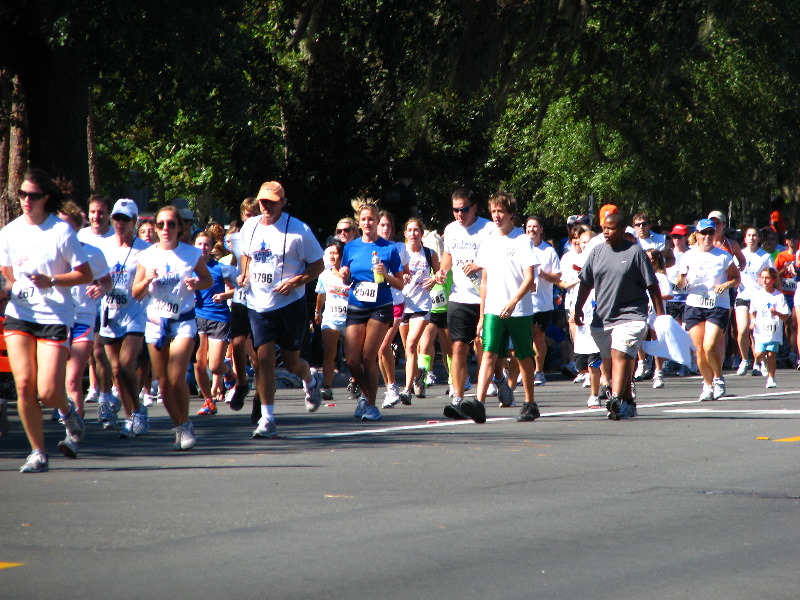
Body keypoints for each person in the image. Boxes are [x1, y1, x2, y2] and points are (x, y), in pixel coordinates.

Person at [0, 169, 93, 472]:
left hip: (54, 316)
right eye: (22, 194)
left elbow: (85, 274)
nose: (26, 200)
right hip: (20, 315)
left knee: (48, 391)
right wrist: (11, 288)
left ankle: (67, 412)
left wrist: (51, 280)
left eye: (33, 196)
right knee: (24, 384)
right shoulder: (9, 232)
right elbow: (8, 273)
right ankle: (38, 452)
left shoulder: (61, 232)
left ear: (46, 198)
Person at [237, 181, 325, 438]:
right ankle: (267, 418)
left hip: (289, 304)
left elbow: (318, 265)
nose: (266, 206)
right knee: (264, 360)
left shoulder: (299, 230)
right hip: (259, 303)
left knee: (291, 362)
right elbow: (246, 255)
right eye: (263, 201)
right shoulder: (249, 226)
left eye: (272, 202)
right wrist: (243, 274)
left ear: (283, 202)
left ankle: (310, 380)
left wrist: (295, 281)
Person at [133, 206, 212, 450]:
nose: (165, 229)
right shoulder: (146, 256)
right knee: (164, 383)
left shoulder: (190, 254)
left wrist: (195, 283)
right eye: (161, 224)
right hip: (156, 322)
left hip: (184, 321)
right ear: (155, 229)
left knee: (177, 377)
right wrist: (146, 279)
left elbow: (207, 280)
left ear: (180, 228)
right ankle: (181, 425)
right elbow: (136, 293)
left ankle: (184, 424)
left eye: (171, 224)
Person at [574, 212, 664, 420]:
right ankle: (628, 400)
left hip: (632, 314)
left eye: (611, 228)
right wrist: (577, 309)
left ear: (623, 230)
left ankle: (615, 399)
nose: (606, 232)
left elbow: (653, 286)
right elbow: (586, 283)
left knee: (620, 354)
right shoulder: (596, 252)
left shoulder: (635, 253)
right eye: (604, 228)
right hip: (603, 317)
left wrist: (660, 318)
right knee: (611, 359)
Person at [461, 192, 540, 423]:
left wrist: (513, 301)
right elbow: (484, 280)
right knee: (488, 353)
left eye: (501, 212)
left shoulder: (522, 239)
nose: (496, 216)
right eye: (493, 211)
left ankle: (529, 403)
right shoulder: (488, 240)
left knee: (523, 356)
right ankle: (479, 403)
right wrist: (482, 314)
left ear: (511, 214)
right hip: (494, 309)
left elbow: (529, 278)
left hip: (519, 310)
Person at [435, 188, 496, 419]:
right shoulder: (450, 229)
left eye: (463, 209)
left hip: (485, 296)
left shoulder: (488, 228)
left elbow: (496, 257)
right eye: (455, 210)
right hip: (459, 296)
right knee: (459, 346)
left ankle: (497, 380)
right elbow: (448, 255)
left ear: (474, 208)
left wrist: (478, 265)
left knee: (483, 346)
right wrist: (442, 270)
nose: (459, 214)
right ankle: (458, 398)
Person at [340, 203, 404, 421]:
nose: (367, 223)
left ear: (377, 221)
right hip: (357, 304)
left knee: (368, 357)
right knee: (351, 359)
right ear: (359, 222)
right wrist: (345, 275)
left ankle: (371, 404)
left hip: (380, 306)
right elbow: (348, 278)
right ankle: (365, 397)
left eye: (371, 219)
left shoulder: (389, 248)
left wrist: (385, 275)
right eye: (364, 219)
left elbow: (401, 284)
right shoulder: (351, 247)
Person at [98, 199, 152, 437]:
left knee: (128, 363)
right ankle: (132, 416)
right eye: (116, 218)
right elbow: (96, 276)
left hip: (135, 314)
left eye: (125, 219)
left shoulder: (145, 250)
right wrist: (95, 288)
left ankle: (137, 413)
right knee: (117, 370)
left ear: (134, 222)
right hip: (109, 313)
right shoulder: (103, 247)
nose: (119, 223)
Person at [675, 218, 741, 401]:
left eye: (711, 233)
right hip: (694, 304)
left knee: (710, 346)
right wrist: (681, 279)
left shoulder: (723, 256)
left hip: (717, 305)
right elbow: (680, 284)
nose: (707, 236)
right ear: (696, 235)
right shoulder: (688, 256)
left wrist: (726, 285)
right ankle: (707, 384)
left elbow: (737, 278)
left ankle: (718, 378)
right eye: (703, 233)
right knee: (699, 350)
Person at [58, 201, 112, 420]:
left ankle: (74, 431)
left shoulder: (92, 253)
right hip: (55, 319)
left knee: (72, 379)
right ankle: (64, 410)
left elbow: (107, 282)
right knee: (52, 382)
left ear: (77, 227)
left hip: (83, 318)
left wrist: (100, 288)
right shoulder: (47, 253)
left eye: (66, 225)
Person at [395, 217, 439, 405]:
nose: (413, 233)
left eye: (416, 230)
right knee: (408, 349)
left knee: (412, 345)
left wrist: (434, 280)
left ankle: (406, 390)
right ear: (405, 234)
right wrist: (399, 276)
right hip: (403, 303)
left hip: (421, 305)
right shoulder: (400, 253)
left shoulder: (429, 253)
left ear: (422, 234)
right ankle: (418, 376)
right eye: (410, 230)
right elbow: (389, 274)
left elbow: (440, 274)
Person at [193, 231, 237, 416]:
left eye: (206, 245)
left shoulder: (220, 268)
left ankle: (229, 374)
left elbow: (240, 286)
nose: (203, 248)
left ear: (211, 248)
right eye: (199, 244)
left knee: (215, 365)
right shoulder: (188, 268)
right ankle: (208, 401)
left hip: (218, 318)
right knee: (198, 363)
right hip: (197, 318)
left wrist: (224, 295)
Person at [81, 195, 116, 410]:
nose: (97, 216)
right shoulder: (81, 235)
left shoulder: (114, 236)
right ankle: (94, 386)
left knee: (101, 350)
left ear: (108, 215)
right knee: (91, 349)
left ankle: (106, 389)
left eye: (101, 212)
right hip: (87, 299)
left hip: (110, 298)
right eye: (93, 212)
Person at [224, 197, 259, 411]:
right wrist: (235, 279)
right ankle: (243, 383)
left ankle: (262, 397)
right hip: (242, 296)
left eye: (254, 215)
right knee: (236, 343)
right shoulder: (236, 238)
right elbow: (236, 263)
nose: (250, 219)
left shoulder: (269, 236)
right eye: (247, 215)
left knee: (261, 350)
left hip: (264, 298)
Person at [524, 215, 562, 385]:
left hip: (542, 303)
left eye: (535, 226)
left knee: (538, 337)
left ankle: (539, 371)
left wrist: (544, 275)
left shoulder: (548, 251)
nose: (531, 229)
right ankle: (524, 371)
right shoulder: (521, 248)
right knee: (522, 338)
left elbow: (558, 276)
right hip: (522, 302)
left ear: (540, 230)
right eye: (529, 226)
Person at [735, 227, 774, 375]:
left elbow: (772, 277)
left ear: (759, 238)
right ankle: (745, 360)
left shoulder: (764, 257)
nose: (751, 238)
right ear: (744, 239)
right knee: (743, 329)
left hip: (759, 298)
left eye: (754, 236)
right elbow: (732, 274)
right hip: (743, 297)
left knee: (757, 332)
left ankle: (760, 362)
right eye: (749, 235)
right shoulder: (739, 255)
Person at [314, 240, 350, 400]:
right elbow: (321, 295)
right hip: (331, 318)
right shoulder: (324, 274)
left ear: (342, 255)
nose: (333, 256)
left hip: (349, 320)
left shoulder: (351, 274)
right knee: (329, 354)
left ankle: (356, 382)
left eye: (336, 253)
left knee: (352, 356)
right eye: (330, 253)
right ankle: (327, 387)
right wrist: (317, 312)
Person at [750, 267, 789, 388]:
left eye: (767, 278)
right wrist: (752, 321)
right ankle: (763, 362)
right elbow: (752, 311)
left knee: (772, 354)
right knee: (758, 354)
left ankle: (771, 378)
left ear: (773, 279)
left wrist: (776, 313)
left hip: (773, 331)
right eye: (762, 278)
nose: (765, 280)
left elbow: (785, 316)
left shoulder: (779, 296)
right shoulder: (757, 295)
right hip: (761, 331)